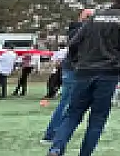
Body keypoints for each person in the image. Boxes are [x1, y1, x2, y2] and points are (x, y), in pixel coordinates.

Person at [45, 0, 120, 156]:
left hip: (84, 71)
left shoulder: (95, 17)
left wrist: (76, 62)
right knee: (97, 119)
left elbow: (73, 42)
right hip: (109, 72)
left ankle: (56, 148)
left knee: (72, 114)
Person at [42, 9, 93, 145]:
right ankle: (52, 134)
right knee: (67, 102)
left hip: (74, 69)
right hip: (74, 70)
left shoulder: (76, 30)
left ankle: (56, 132)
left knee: (69, 102)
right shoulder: (79, 30)